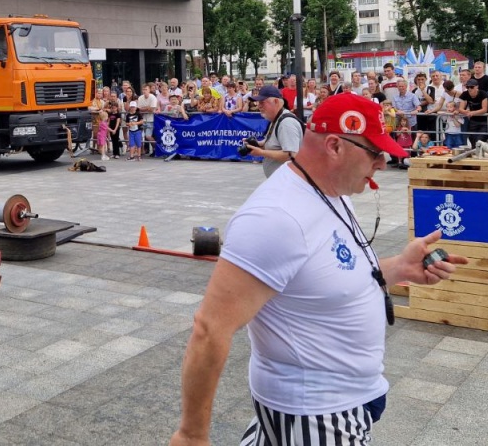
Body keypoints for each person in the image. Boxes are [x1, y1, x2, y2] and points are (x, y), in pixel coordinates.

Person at [170, 94, 467, 446]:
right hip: (314, 415)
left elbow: (333, 277)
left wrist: (400, 267)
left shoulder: (331, 191)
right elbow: (209, 329)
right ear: (335, 147)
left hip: (342, 402)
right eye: (374, 152)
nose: (383, 163)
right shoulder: (276, 218)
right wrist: (191, 435)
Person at [243, 85, 302, 178]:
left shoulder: (286, 123)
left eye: (262, 102)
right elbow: (275, 143)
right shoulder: (276, 119)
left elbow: (291, 154)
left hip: (287, 183)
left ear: (276, 101)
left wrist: (261, 152)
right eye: (258, 102)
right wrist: (257, 144)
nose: (259, 105)